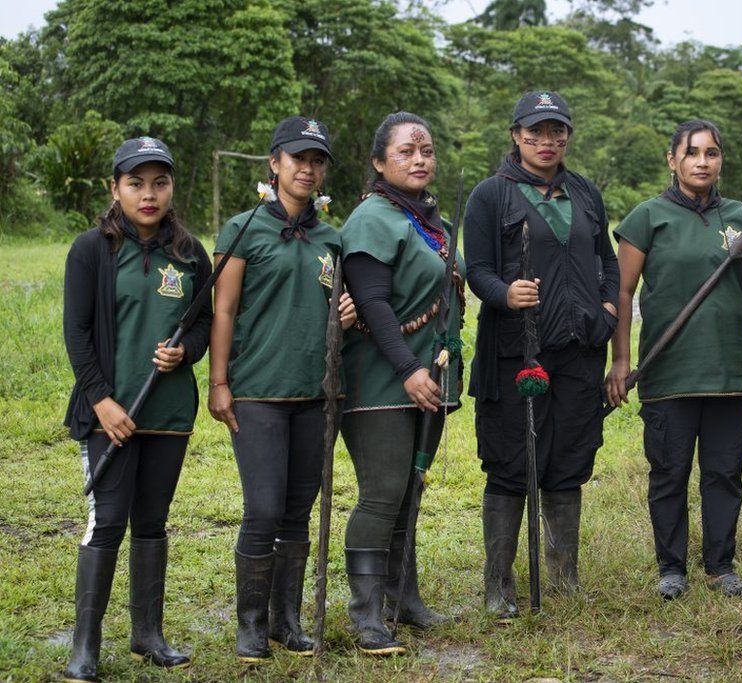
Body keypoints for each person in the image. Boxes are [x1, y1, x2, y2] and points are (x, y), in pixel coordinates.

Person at [606, 120, 742, 599]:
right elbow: (621, 292)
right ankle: (672, 568)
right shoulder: (647, 216)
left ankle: (721, 566)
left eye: (711, 153)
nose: (702, 162)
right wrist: (620, 360)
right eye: (692, 153)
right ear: (673, 160)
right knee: (669, 473)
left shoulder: (739, 215)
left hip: (727, 374)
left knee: (724, 472)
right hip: (669, 373)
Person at [464, 91, 619, 620]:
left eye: (557, 132)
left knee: (569, 459)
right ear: (516, 134)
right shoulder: (490, 196)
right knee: (511, 462)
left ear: (568, 136)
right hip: (516, 353)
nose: (547, 141)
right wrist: (505, 293)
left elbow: (609, 262)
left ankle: (565, 576)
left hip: (579, 350)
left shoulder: (585, 192)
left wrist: (607, 310)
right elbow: (476, 267)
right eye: (535, 131)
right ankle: (498, 584)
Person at [62, 137, 211, 682]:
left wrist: (185, 351)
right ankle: (85, 646)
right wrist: (101, 401)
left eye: (160, 183)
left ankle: (148, 635)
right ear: (115, 188)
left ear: (172, 186)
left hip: (168, 414)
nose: (149, 195)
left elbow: (201, 323)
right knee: (107, 524)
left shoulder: (190, 252)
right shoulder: (91, 250)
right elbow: (76, 333)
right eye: (136, 183)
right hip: (111, 416)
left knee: (152, 523)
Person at [207, 116, 356, 661]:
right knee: (263, 508)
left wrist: (348, 311)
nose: (308, 169)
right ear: (275, 163)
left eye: (317, 161)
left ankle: (285, 620)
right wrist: (219, 382)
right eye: (298, 159)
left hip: (316, 395)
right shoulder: (243, 229)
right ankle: (249, 624)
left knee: (299, 510)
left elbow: (341, 313)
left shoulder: (332, 239)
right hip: (257, 391)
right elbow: (222, 310)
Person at [339, 112, 463, 655]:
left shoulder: (432, 221)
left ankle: (402, 598)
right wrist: (408, 371)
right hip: (383, 384)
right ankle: (367, 615)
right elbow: (371, 302)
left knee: (411, 490)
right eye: (406, 152)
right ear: (378, 162)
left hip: (428, 381)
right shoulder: (372, 218)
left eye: (427, 150)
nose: (419, 160)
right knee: (382, 494)